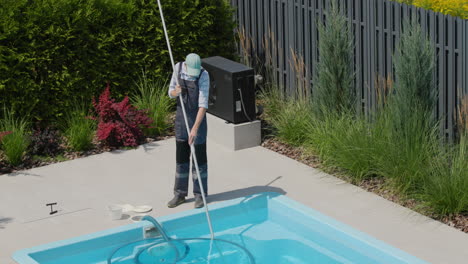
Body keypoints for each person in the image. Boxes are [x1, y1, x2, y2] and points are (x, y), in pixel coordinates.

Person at [167, 53, 209, 209]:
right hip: (181, 122)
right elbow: (170, 93)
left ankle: (200, 195)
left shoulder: (204, 75)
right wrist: (175, 92)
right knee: (182, 159)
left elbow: (203, 104)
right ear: (185, 65)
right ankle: (179, 194)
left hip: (198, 121)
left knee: (199, 160)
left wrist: (195, 129)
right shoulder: (177, 69)